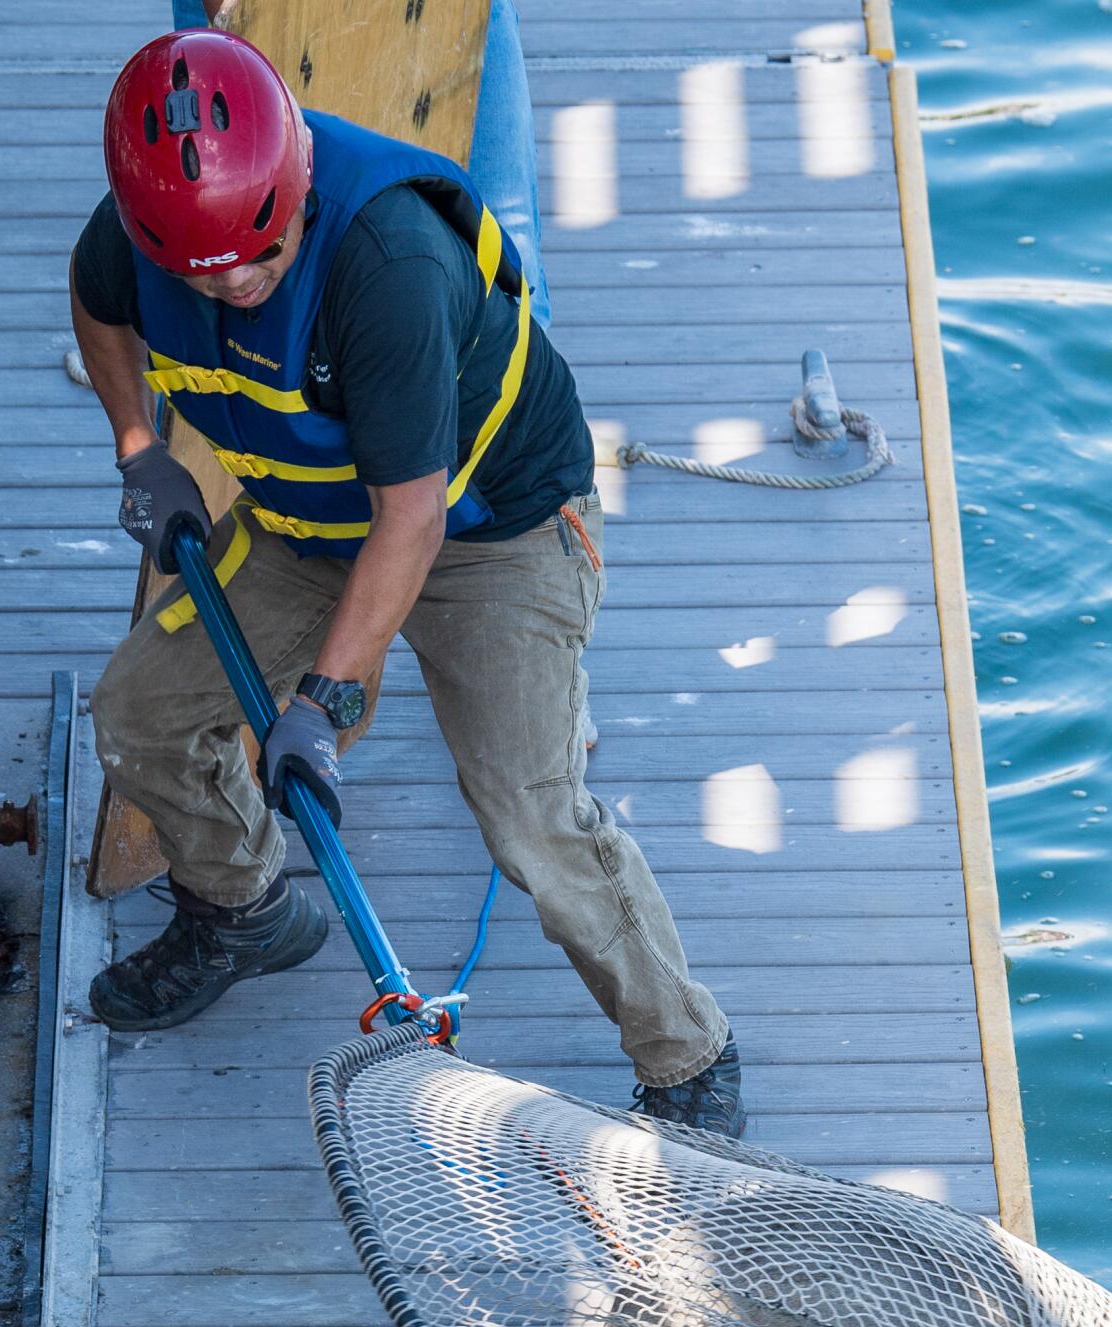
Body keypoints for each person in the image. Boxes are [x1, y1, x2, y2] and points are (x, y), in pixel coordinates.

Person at [68, 25, 744, 1132]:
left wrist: (320, 706)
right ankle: (242, 909)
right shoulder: (147, 230)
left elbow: (412, 519)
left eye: (263, 258)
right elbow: (97, 301)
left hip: (493, 532)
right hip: (304, 521)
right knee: (141, 713)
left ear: (292, 186)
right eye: (204, 269)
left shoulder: (389, 264)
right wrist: (138, 447)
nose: (235, 283)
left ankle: (688, 1055)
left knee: (529, 819)